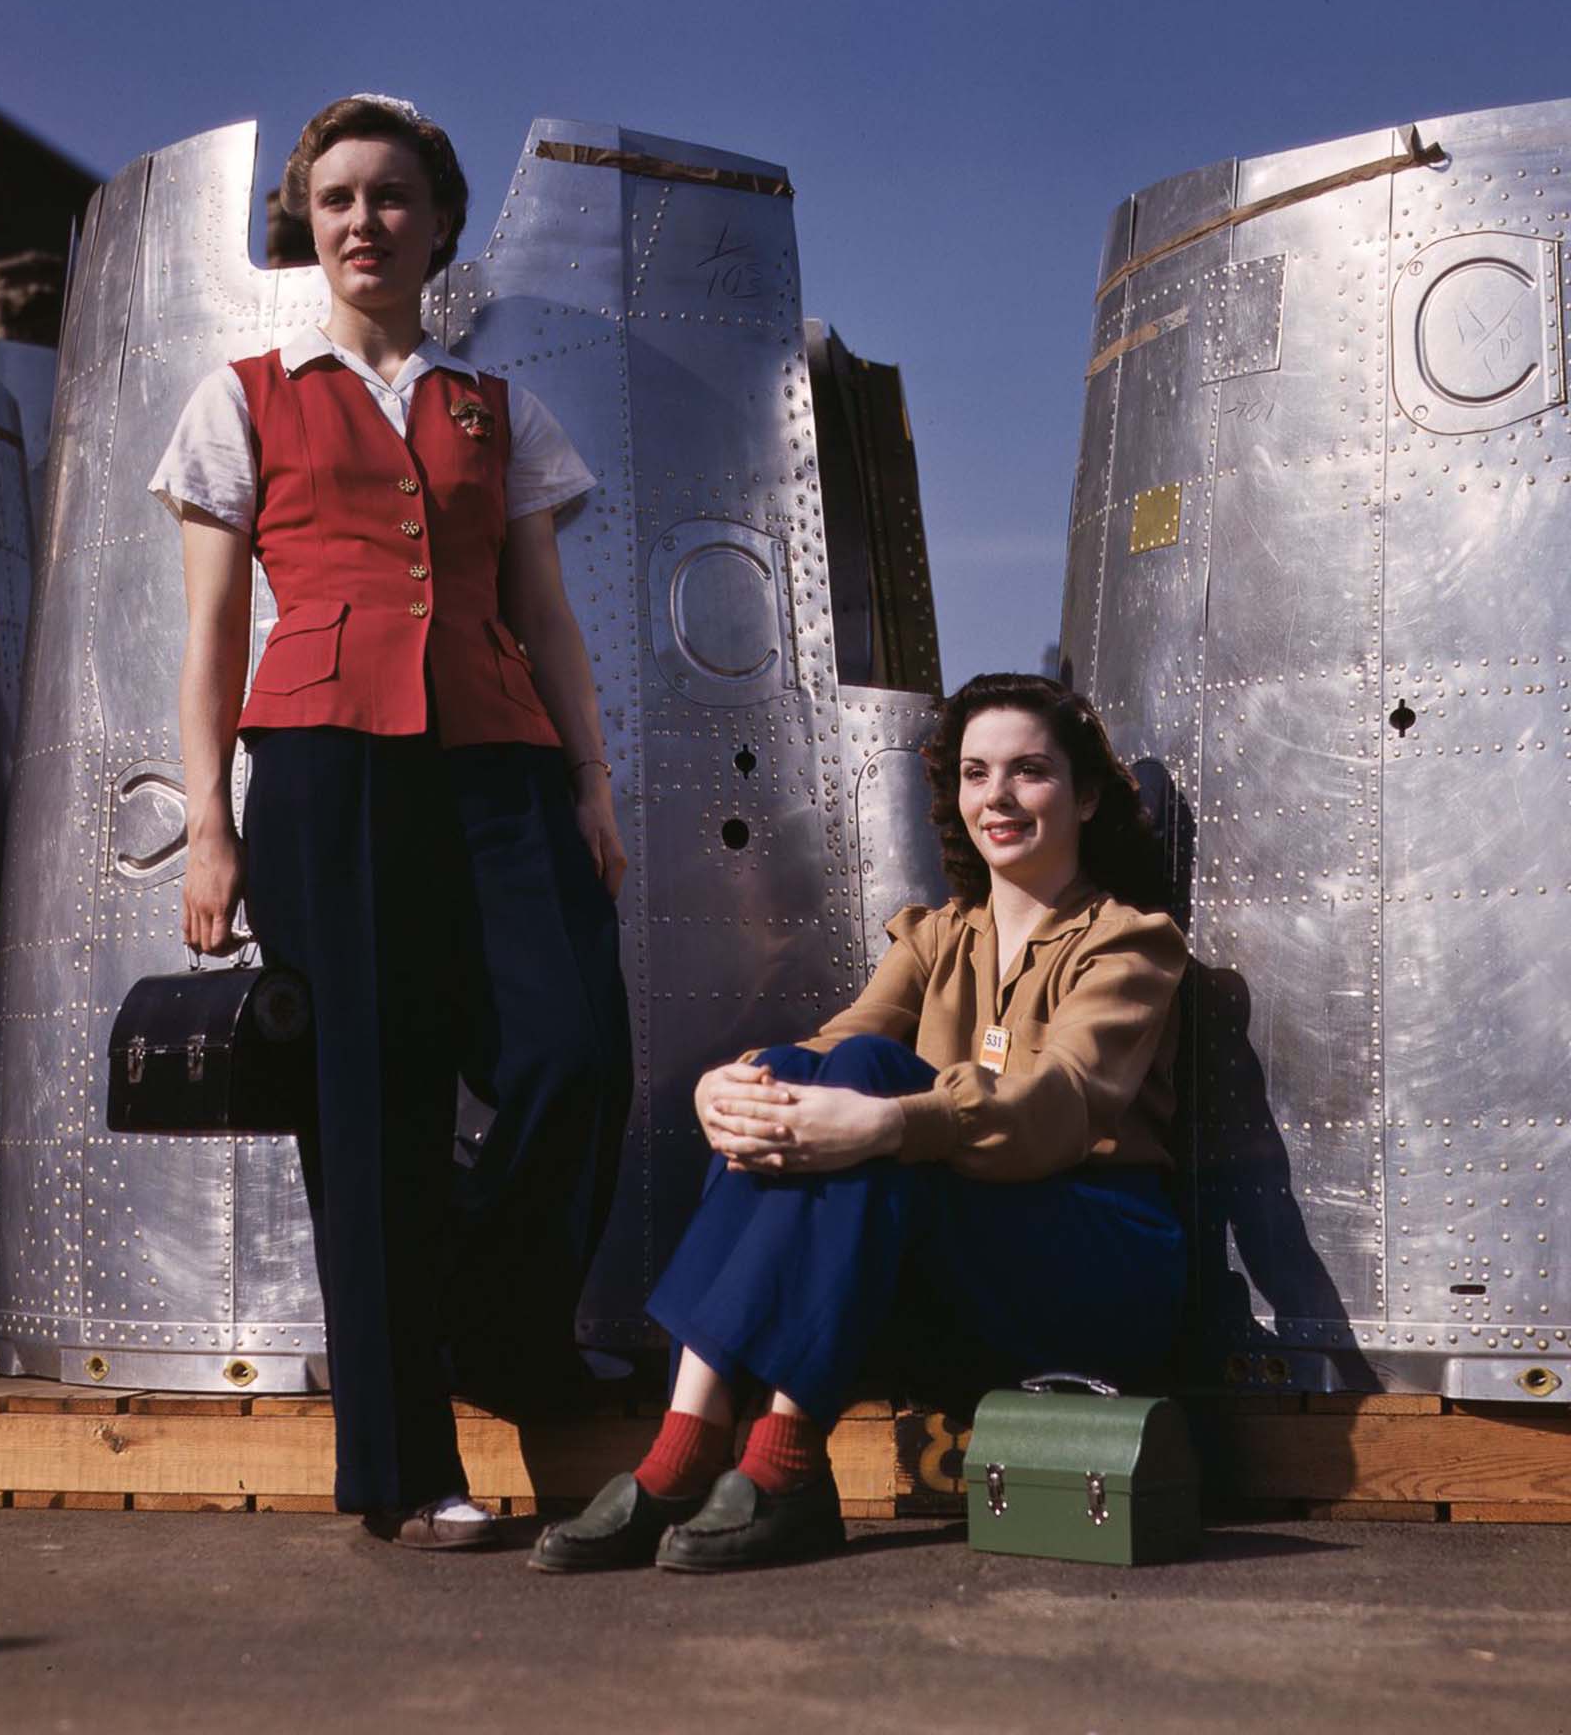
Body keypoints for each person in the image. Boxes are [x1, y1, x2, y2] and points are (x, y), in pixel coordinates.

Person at [150, 93, 633, 1549]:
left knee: (575, 1053)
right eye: (340, 198)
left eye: (394, 197)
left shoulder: (500, 408)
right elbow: (212, 630)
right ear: (307, 219)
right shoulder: (241, 394)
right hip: (322, 770)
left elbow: (543, 613)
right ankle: (404, 1468)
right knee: (374, 1112)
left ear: (438, 223)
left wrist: (592, 782)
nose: (365, 221)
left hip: (498, 763)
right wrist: (214, 826)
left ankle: (483, 1325)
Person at [531, 671, 1187, 1574]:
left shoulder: (1129, 943)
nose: (996, 797)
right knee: (805, 1072)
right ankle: (691, 1444)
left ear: (1087, 796)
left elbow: (1058, 1104)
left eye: (1029, 772)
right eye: (974, 773)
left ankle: (780, 1464)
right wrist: (731, 1089)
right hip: (965, 1253)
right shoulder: (934, 937)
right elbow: (830, 1048)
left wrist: (884, 1127)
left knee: (875, 1086)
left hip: (1092, 1261)